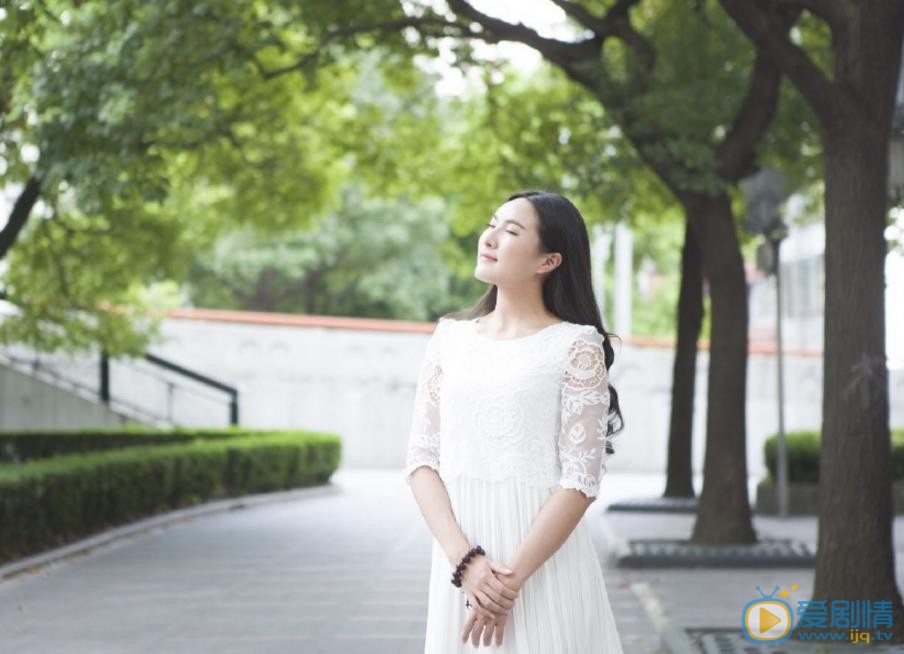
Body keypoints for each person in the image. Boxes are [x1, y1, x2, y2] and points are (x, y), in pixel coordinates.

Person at [403, 190, 626, 653]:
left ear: (549, 260)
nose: (490, 236)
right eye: (492, 223)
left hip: (543, 564)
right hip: (461, 566)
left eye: (511, 230)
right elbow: (421, 460)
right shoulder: (450, 338)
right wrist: (467, 564)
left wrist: (507, 584)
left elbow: (580, 480)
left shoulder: (576, 345)